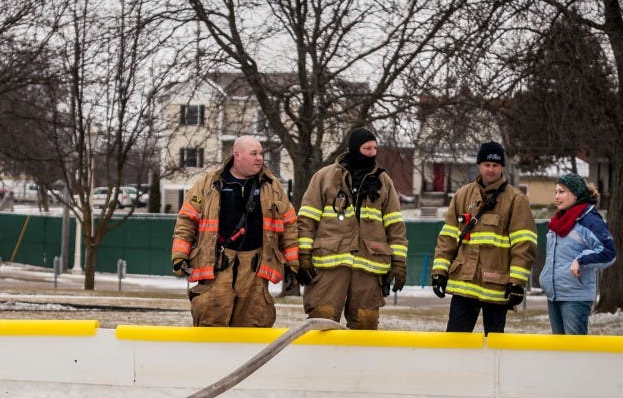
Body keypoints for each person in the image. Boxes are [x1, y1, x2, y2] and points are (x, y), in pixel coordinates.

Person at [170, 135, 299, 327]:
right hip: (216, 266)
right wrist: (180, 255)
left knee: (254, 322)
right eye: (254, 153)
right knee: (211, 319)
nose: (260, 158)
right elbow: (187, 221)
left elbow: (289, 227)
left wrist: (293, 265)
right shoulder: (208, 184)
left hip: (255, 270)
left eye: (261, 154)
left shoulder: (273, 187)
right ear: (237, 155)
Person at [296, 127, 408, 330]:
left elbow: (395, 226)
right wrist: (303, 257)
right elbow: (306, 219)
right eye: (367, 148)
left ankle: (360, 363)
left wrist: (399, 263)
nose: (373, 153)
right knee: (322, 319)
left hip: (368, 266)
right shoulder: (324, 178)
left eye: (375, 148)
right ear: (355, 149)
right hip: (329, 267)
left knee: (366, 322)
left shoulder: (383, 182)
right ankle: (318, 363)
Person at [431, 141, 537, 334]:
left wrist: (517, 283)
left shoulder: (516, 200)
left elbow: (524, 245)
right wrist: (439, 271)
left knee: (495, 347)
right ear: (479, 165)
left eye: (495, 165)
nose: (491, 169)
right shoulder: (462, 196)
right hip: (464, 284)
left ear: (502, 167)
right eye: (487, 164)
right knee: (455, 343)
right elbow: (447, 238)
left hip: (497, 288)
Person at [539, 174, 616, 335]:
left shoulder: (589, 219)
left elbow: (608, 252)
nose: (557, 196)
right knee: (560, 351)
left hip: (576, 296)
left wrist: (581, 259)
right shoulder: (559, 220)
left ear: (575, 194)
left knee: (575, 353)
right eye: (556, 192)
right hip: (555, 294)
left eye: (562, 192)